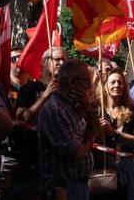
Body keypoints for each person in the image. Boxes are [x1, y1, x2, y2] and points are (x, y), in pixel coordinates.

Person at [39, 59, 101, 200]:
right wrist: (90, 140)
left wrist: (88, 109)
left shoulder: (76, 106)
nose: (90, 86)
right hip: (63, 189)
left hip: (79, 186)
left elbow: (99, 134)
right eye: (86, 81)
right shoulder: (56, 110)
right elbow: (76, 152)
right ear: (73, 82)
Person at [8, 46, 66, 196]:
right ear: (44, 62)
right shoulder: (30, 89)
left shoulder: (66, 93)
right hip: (32, 162)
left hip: (57, 165)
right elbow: (22, 118)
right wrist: (45, 96)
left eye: (63, 60)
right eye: (56, 59)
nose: (60, 62)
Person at [97, 67, 134, 200]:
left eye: (120, 82)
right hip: (102, 166)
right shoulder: (97, 108)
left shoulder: (132, 109)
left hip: (125, 168)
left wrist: (113, 133)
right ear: (105, 85)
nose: (117, 85)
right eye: (113, 82)